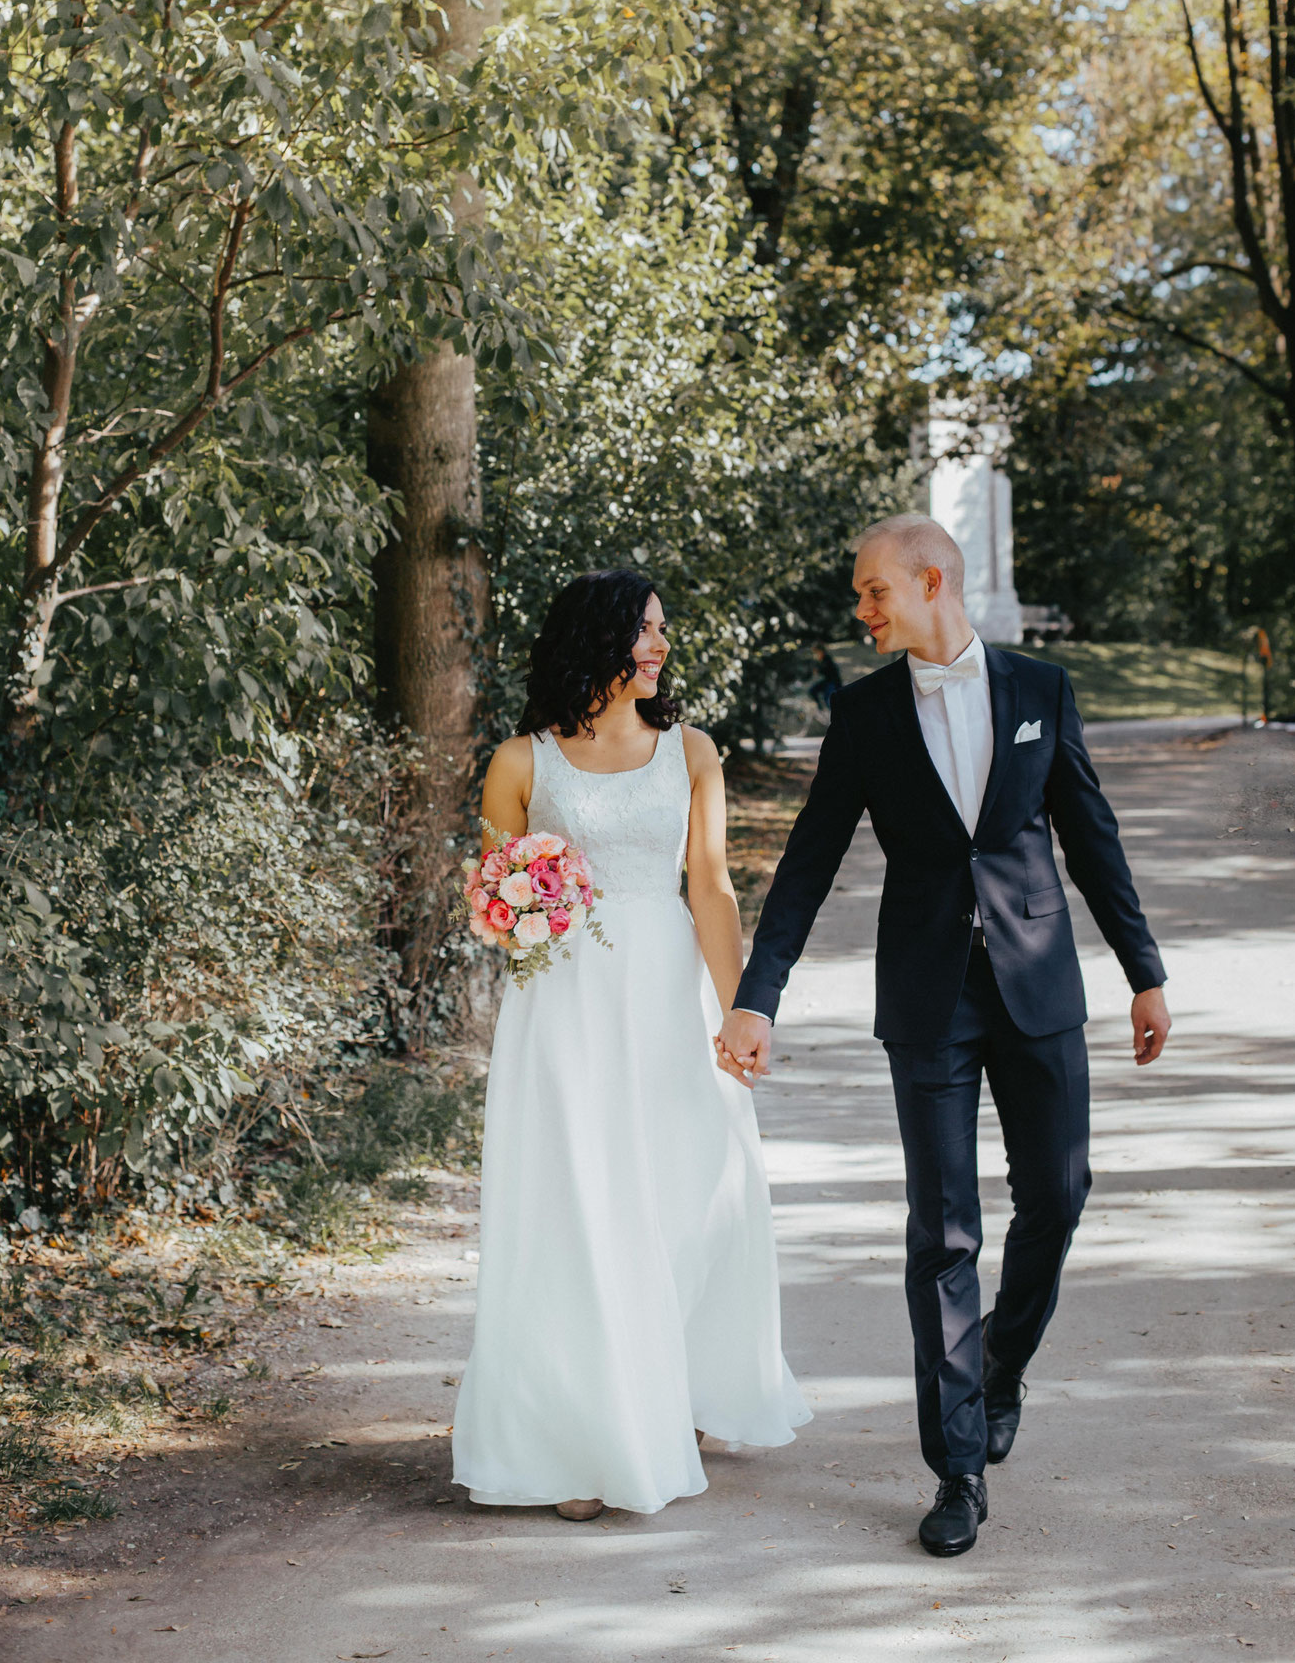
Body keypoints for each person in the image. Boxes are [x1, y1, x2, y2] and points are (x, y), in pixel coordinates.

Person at [715, 514, 1171, 1559]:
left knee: (1059, 1195)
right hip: (927, 999)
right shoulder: (865, 712)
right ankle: (956, 1463)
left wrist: (1144, 971)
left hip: (1039, 984)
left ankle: (1002, 1367)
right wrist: (757, 993)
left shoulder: (1041, 690)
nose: (862, 610)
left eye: (874, 592)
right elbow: (809, 858)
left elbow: (1091, 836)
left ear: (931, 582)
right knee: (944, 1231)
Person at [452, 570, 808, 1522]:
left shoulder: (690, 751)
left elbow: (713, 889)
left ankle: (676, 1390)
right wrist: (519, 909)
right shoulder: (520, 764)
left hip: (665, 997)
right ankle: (583, 1435)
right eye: (645, 631)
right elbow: (491, 897)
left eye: (662, 631)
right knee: (578, 1204)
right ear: (598, 642)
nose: (659, 647)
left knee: (693, 1188)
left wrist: (741, 1015)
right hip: (562, 1006)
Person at [808, 642, 845, 714]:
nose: (815, 655)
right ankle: (820, 709)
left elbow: (827, 670)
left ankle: (836, 715)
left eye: (816, 653)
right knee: (812, 691)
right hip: (827, 681)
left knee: (828, 699)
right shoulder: (820, 660)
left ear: (821, 651)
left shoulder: (827, 659)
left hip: (833, 682)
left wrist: (818, 670)